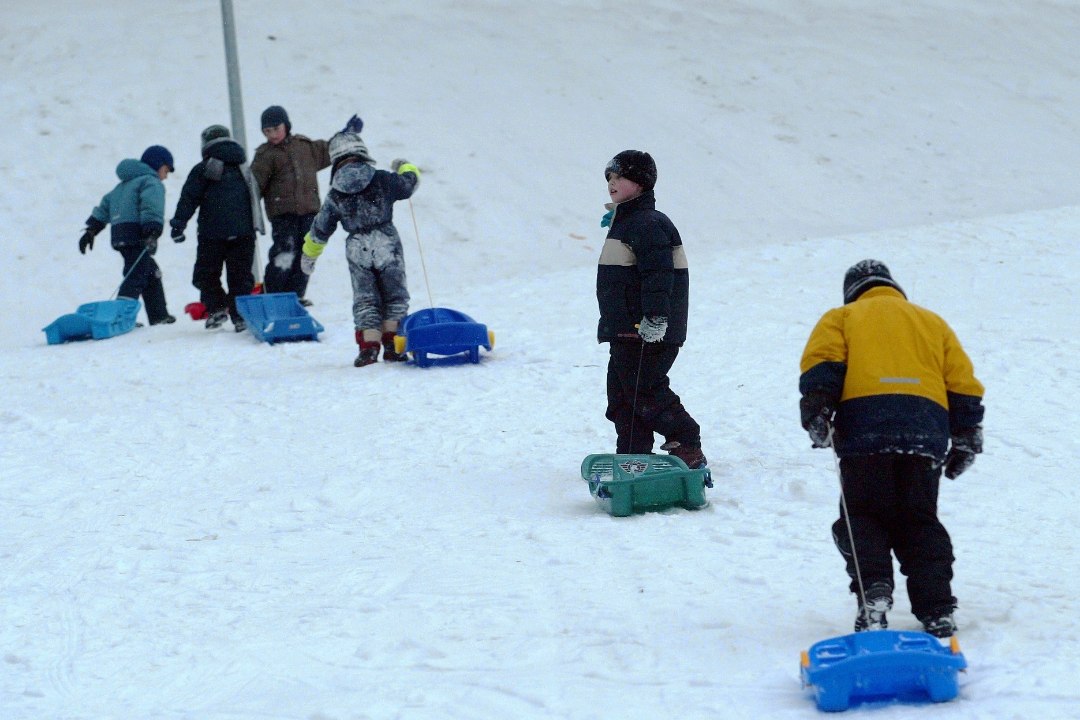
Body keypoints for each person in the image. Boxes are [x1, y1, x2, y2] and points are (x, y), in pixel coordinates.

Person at [799, 259, 985, 638]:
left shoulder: (842, 317)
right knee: (919, 520)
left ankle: (874, 591)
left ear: (852, 290)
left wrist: (817, 411)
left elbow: (823, 365)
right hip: (924, 432)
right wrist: (966, 434)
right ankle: (936, 609)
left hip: (865, 429)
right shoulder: (931, 322)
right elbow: (962, 381)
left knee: (862, 517)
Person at [596, 150, 706, 468]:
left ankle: (687, 440)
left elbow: (659, 276)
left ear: (641, 183)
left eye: (620, 177)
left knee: (645, 389)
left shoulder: (648, 224)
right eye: (609, 178)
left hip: (648, 331)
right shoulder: (626, 223)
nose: (612, 183)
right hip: (625, 330)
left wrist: (656, 318)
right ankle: (634, 451)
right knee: (622, 396)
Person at [299, 127, 419, 367]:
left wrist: (309, 255)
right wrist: (404, 166)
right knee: (394, 296)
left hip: (357, 247)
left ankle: (368, 347)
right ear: (362, 152)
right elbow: (410, 184)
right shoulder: (382, 178)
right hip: (386, 241)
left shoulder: (336, 194)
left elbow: (320, 228)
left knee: (365, 299)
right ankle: (394, 344)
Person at [169, 125, 265, 332]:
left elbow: (189, 198)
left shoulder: (203, 169)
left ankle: (217, 309)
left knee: (205, 274)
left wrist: (178, 225)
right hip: (244, 232)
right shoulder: (245, 168)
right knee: (240, 276)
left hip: (212, 233)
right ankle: (240, 317)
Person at [78, 145, 177, 325]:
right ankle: (119, 317)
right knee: (136, 274)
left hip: (120, 234)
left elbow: (104, 208)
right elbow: (151, 206)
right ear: (157, 165)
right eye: (166, 170)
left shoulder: (121, 186)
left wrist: (91, 230)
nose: (166, 176)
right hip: (138, 232)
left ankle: (159, 315)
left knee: (150, 272)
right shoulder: (150, 182)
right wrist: (152, 232)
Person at [250, 105, 333, 304]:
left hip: (309, 213)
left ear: (286, 125)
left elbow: (330, 150)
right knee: (284, 253)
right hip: (283, 214)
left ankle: (296, 295)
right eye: (267, 131)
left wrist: (347, 134)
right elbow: (254, 187)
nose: (273, 135)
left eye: (276, 129)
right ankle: (273, 294)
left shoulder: (305, 146)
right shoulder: (265, 155)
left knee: (306, 253)